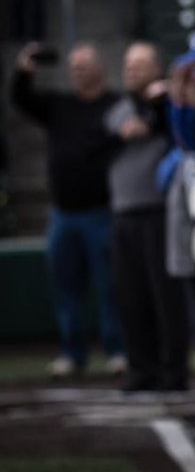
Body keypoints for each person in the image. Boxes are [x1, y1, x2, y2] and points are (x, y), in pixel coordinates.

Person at [11, 41, 124, 378]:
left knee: (110, 287)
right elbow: (22, 100)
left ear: (100, 69)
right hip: (63, 213)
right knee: (67, 289)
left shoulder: (114, 105)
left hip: (101, 211)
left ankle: (117, 349)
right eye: (73, 67)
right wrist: (23, 71)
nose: (78, 72)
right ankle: (72, 353)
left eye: (84, 66)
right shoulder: (61, 105)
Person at [106, 41, 188, 392]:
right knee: (131, 295)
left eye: (140, 64)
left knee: (164, 296)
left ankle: (172, 371)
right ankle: (141, 368)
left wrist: (163, 101)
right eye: (128, 64)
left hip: (159, 210)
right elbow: (123, 128)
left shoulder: (171, 103)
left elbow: (175, 131)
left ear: (157, 67)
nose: (132, 70)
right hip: (125, 212)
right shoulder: (118, 106)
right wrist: (148, 107)